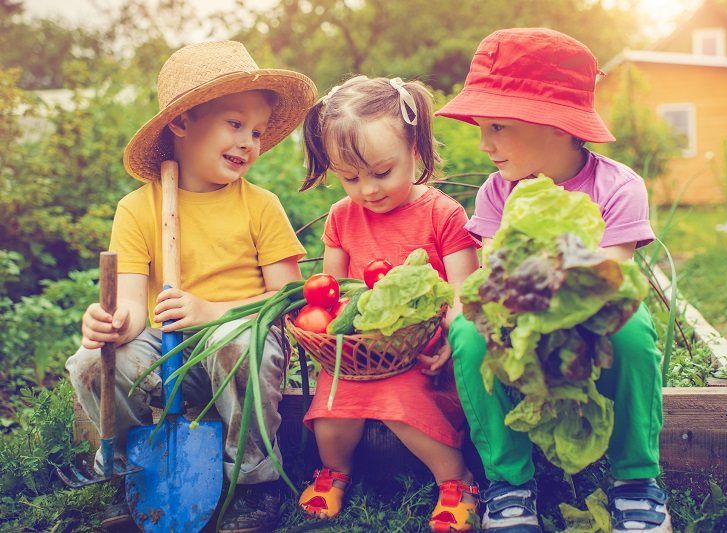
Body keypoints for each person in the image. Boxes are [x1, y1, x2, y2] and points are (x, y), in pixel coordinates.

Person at [65, 40, 316, 532]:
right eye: (234, 124)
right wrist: (112, 323)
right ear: (182, 123)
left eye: (258, 132)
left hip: (235, 335)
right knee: (94, 363)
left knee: (242, 345)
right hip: (164, 343)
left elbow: (288, 297)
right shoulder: (138, 208)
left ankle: (253, 482)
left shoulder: (260, 205)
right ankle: (133, 470)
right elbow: (135, 307)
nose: (249, 141)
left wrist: (212, 311)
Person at [436, 28, 672, 533]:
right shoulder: (496, 195)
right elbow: (495, 270)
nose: (484, 144)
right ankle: (509, 484)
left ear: (558, 125)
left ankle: (636, 480)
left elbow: (612, 274)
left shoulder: (618, 186)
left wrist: (554, 292)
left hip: (593, 312)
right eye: (482, 128)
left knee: (633, 334)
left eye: (497, 126)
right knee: (468, 333)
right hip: (519, 314)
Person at [298, 75, 481, 532]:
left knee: (402, 405)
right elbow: (335, 292)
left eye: (382, 172)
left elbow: (463, 289)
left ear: (415, 152)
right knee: (332, 406)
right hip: (360, 353)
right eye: (350, 178)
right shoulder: (343, 217)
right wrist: (331, 336)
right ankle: (335, 470)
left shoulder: (443, 213)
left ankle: (456, 479)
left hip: (423, 351)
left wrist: (452, 341)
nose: (368, 190)